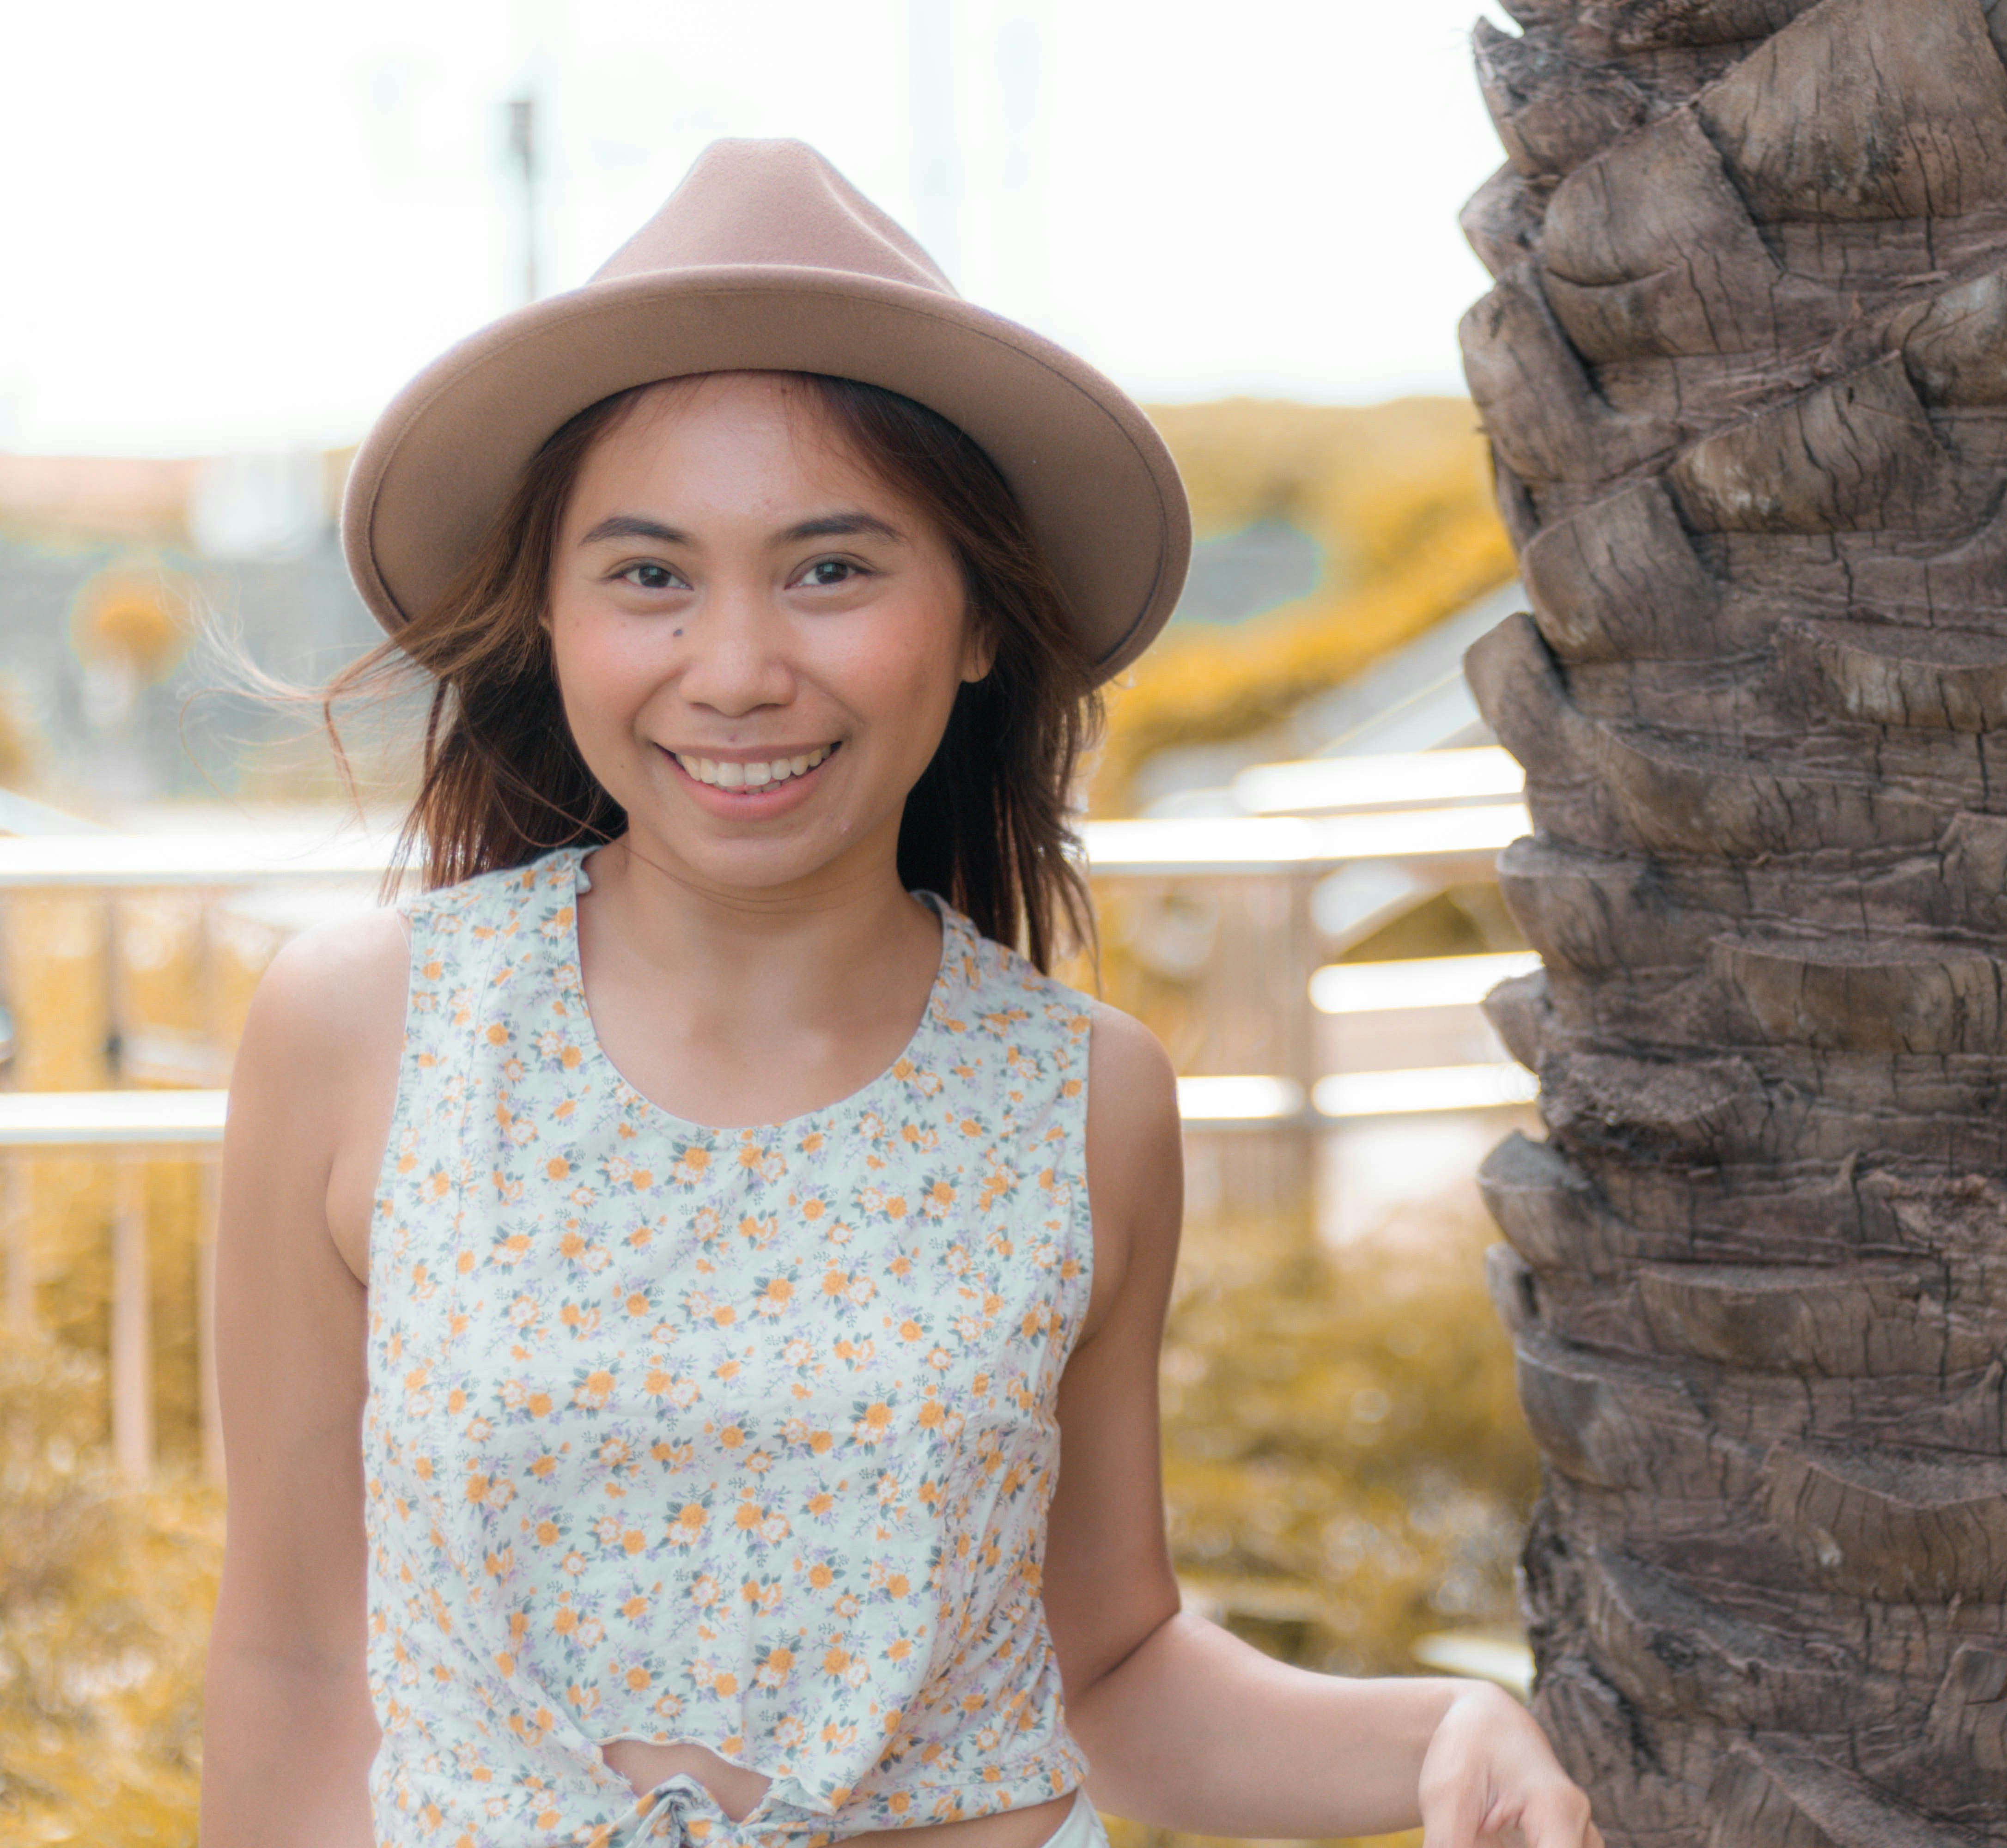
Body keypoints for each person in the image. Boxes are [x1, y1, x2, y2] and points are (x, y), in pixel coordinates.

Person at [199, 139, 1597, 1848]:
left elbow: (1112, 1676)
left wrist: (1454, 1731)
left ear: (981, 622)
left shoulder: (1084, 1096)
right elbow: (286, 1659)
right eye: (649, 575)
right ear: (549, 620)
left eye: (831, 570)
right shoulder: (364, 1034)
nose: (736, 671)